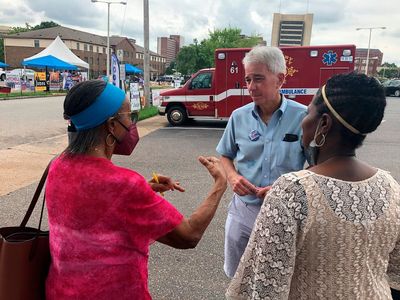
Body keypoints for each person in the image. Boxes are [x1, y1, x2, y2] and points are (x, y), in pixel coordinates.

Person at [45, 80, 227, 299]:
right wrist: (220, 183)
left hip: (61, 291)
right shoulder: (125, 185)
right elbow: (189, 236)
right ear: (111, 125)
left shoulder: (58, 165)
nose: (132, 124)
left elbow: (90, 208)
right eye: (129, 116)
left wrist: (144, 190)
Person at [226, 72, 400, 299]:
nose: (303, 121)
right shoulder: (389, 185)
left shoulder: (292, 190)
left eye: (308, 113)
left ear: (324, 124)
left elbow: (264, 286)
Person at [216, 46, 306, 278]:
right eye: (247, 79)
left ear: (280, 79)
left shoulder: (304, 117)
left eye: (258, 78)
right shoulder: (239, 116)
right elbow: (225, 155)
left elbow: (317, 169)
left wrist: (286, 187)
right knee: (237, 274)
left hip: (284, 211)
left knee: (277, 275)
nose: (251, 87)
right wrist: (232, 176)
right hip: (243, 208)